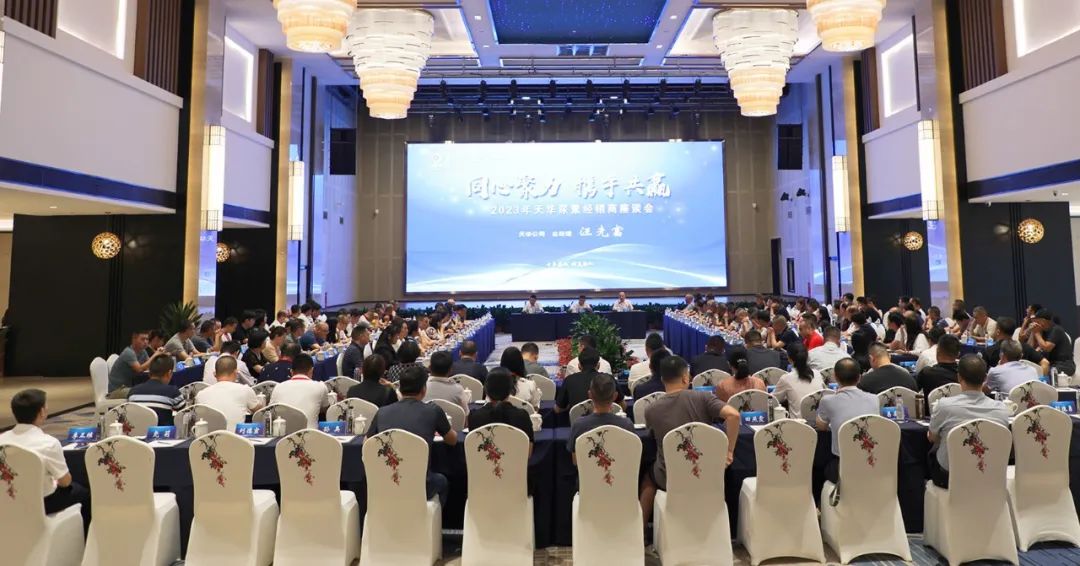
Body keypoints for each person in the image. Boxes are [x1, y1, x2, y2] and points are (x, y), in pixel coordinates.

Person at [640, 355, 740, 525]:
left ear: (663, 380)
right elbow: (734, 415)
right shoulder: (704, 398)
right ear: (686, 378)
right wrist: (729, 451)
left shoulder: (651, 409)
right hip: (705, 472)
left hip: (670, 476)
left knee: (648, 478)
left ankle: (642, 530)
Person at [366, 366, 457, 505]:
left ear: (400, 389)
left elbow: (367, 444)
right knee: (442, 481)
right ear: (424, 389)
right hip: (421, 485)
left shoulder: (382, 412)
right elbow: (452, 440)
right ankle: (432, 516)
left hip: (386, 483)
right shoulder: (433, 411)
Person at [0, 389, 90, 522]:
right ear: (42, 412)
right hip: (42, 502)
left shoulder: (2, 440)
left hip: (6, 499)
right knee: (83, 493)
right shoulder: (48, 443)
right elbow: (65, 482)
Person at [928, 355, 1011, 488]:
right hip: (990, 474)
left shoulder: (944, 406)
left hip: (950, 477)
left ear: (959, 377)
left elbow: (932, 438)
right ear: (985, 378)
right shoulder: (1001, 409)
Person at [816, 358, 881, 485]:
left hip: (842, 466)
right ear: (860, 377)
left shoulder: (828, 400)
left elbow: (821, 427)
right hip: (871, 462)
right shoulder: (874, 399)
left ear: (835, 377)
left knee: (820, 460)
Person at [567, 373, 634, 463]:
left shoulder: (579, 425)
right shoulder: (627, 425)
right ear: (615, 396)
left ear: (590, 395)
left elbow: (576, 461)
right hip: (621, 471)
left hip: (588, 472)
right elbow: (631, 456)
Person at [467, 367, 535, 448]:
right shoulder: (522, 417)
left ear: (486, 390)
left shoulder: (474, 417)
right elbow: (528, 451)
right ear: (510, 390)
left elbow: (472, 449)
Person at [196, 355, 264, 431]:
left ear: (214, 374)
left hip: (208, 437)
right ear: (236, 373)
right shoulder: (245, 390)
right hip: (235, 437)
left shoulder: (201, 394)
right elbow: (260, 413)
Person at [269, 353, 330, 429]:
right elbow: (326, 409)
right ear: (311, 370)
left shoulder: (278, 387)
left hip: (283, 434)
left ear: (291, 372)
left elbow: (269, 412)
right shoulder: (320, 386)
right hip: (311, 434)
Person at [108, 330, 168, 398]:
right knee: (145, 391)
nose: (145, 342)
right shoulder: (128, 352)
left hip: (129, 387)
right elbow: (139, 369)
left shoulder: (143, 352)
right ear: (134, 339)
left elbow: (151, 366)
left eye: (147, 339)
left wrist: (161, 355)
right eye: (142, 339)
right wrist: (155, 355)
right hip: (117, 390)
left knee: (152, 388)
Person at [127, 355, 184, 426]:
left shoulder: (132, 392)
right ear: (169, 373)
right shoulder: (172, 392)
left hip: (136, 432)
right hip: (162, 432)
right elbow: (185, 414)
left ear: (149, 373)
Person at [556, 347, 619, 412]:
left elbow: (558, 409)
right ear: (598, 365)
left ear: (579, 366)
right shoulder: (609, 379)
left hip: (577, 418)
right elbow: (622, 405)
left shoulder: (569, 380)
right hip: (607, 418)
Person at [773, 345, 825, 418]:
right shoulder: (817, 374)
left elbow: (773, 400)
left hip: (798, 424)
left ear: (789, 359)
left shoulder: (786, 378)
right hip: (819, 421)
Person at [983, 317, 1048, 373]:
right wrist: (1040, 379)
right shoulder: (1025, 347)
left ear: (998, 332)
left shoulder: (989, 351)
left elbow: (982, 374)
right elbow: (1045, 363)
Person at [1028, 309, 1076, 378]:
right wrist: (1033, 332)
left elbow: (1047, 348)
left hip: (1064, 365)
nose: (1035, 324)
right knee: (1031, 370)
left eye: (1037, 322)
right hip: (1051, 364)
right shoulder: (1042, 331)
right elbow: (1030, 348)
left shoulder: (1056, 330)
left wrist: (1036, 333)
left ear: (1043, 321)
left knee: (1044, 372)